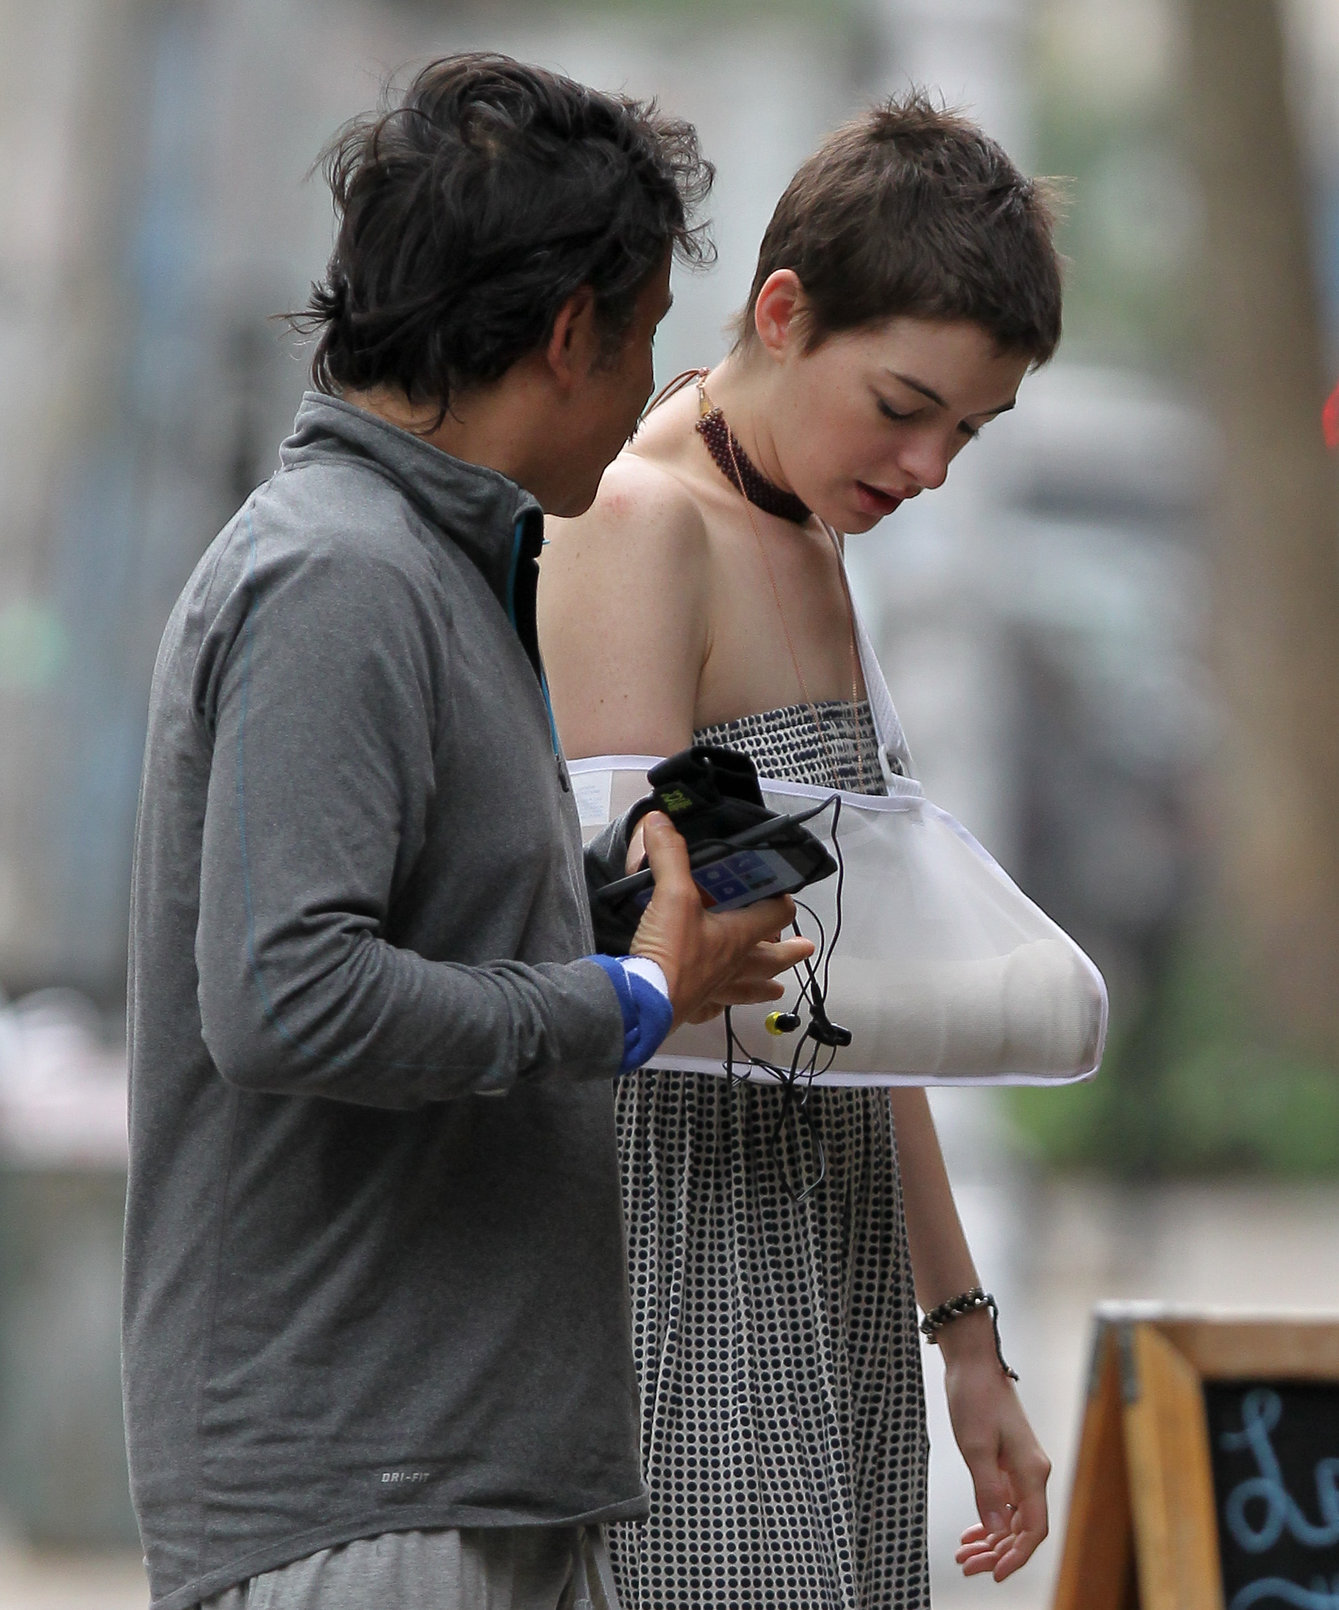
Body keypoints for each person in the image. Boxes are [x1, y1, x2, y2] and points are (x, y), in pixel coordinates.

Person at [122, 54, 812, 1610]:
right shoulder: (340, 576)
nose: (649, 398)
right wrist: (630, 1001)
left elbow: (398, 936)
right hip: (362, 1505)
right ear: (570, 333)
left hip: (452, 1484)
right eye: (640, 343)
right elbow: (288, 995)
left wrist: (602, 904)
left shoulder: (431, 564)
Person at [538, 93, 1063, 1609]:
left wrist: (964, 1333)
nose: (931, 467)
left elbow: (848, 980)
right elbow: (660, 947)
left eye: (967, 429)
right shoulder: (647, 524)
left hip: (820, 1258)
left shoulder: (809, 534)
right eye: (904, 405)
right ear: (782, 310)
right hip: (680, 1261)